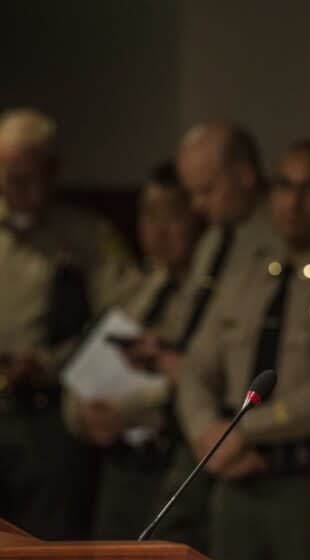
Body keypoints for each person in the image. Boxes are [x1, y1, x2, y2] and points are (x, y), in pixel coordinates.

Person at [175, 139, 310, 560]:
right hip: (232, 480)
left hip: (303, 480)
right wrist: (204, 430)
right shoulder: (247, 268)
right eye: (284, 186)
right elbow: (197, 365)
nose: (294, 202)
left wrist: (245, 430)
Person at [0, 108, 135, 538]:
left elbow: (122, 317)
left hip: (50, 410)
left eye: (27, 177)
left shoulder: (87, 235)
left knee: (47, 537)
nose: (15, 189)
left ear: (53, 171)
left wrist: (47, 361)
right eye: (7, 176)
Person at [147, 120, 280, 551]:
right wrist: (205, 426)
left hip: (258, 441)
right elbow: (200, 349)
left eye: (206, 191)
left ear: (243, 176)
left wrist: (236, 433)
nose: (197, 206)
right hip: (202, 428)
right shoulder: (215, 242)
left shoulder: (284, 242)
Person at [63, 160, 204, 539]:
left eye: (172, 215)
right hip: (121, 467)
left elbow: (194, 378)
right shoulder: (133, 289)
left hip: (176, 462)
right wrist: (83, 416)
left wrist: (122, 411)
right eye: (148, 215)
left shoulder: (208, 297)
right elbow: (82, 370)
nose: (158, 230)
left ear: (197, 217)